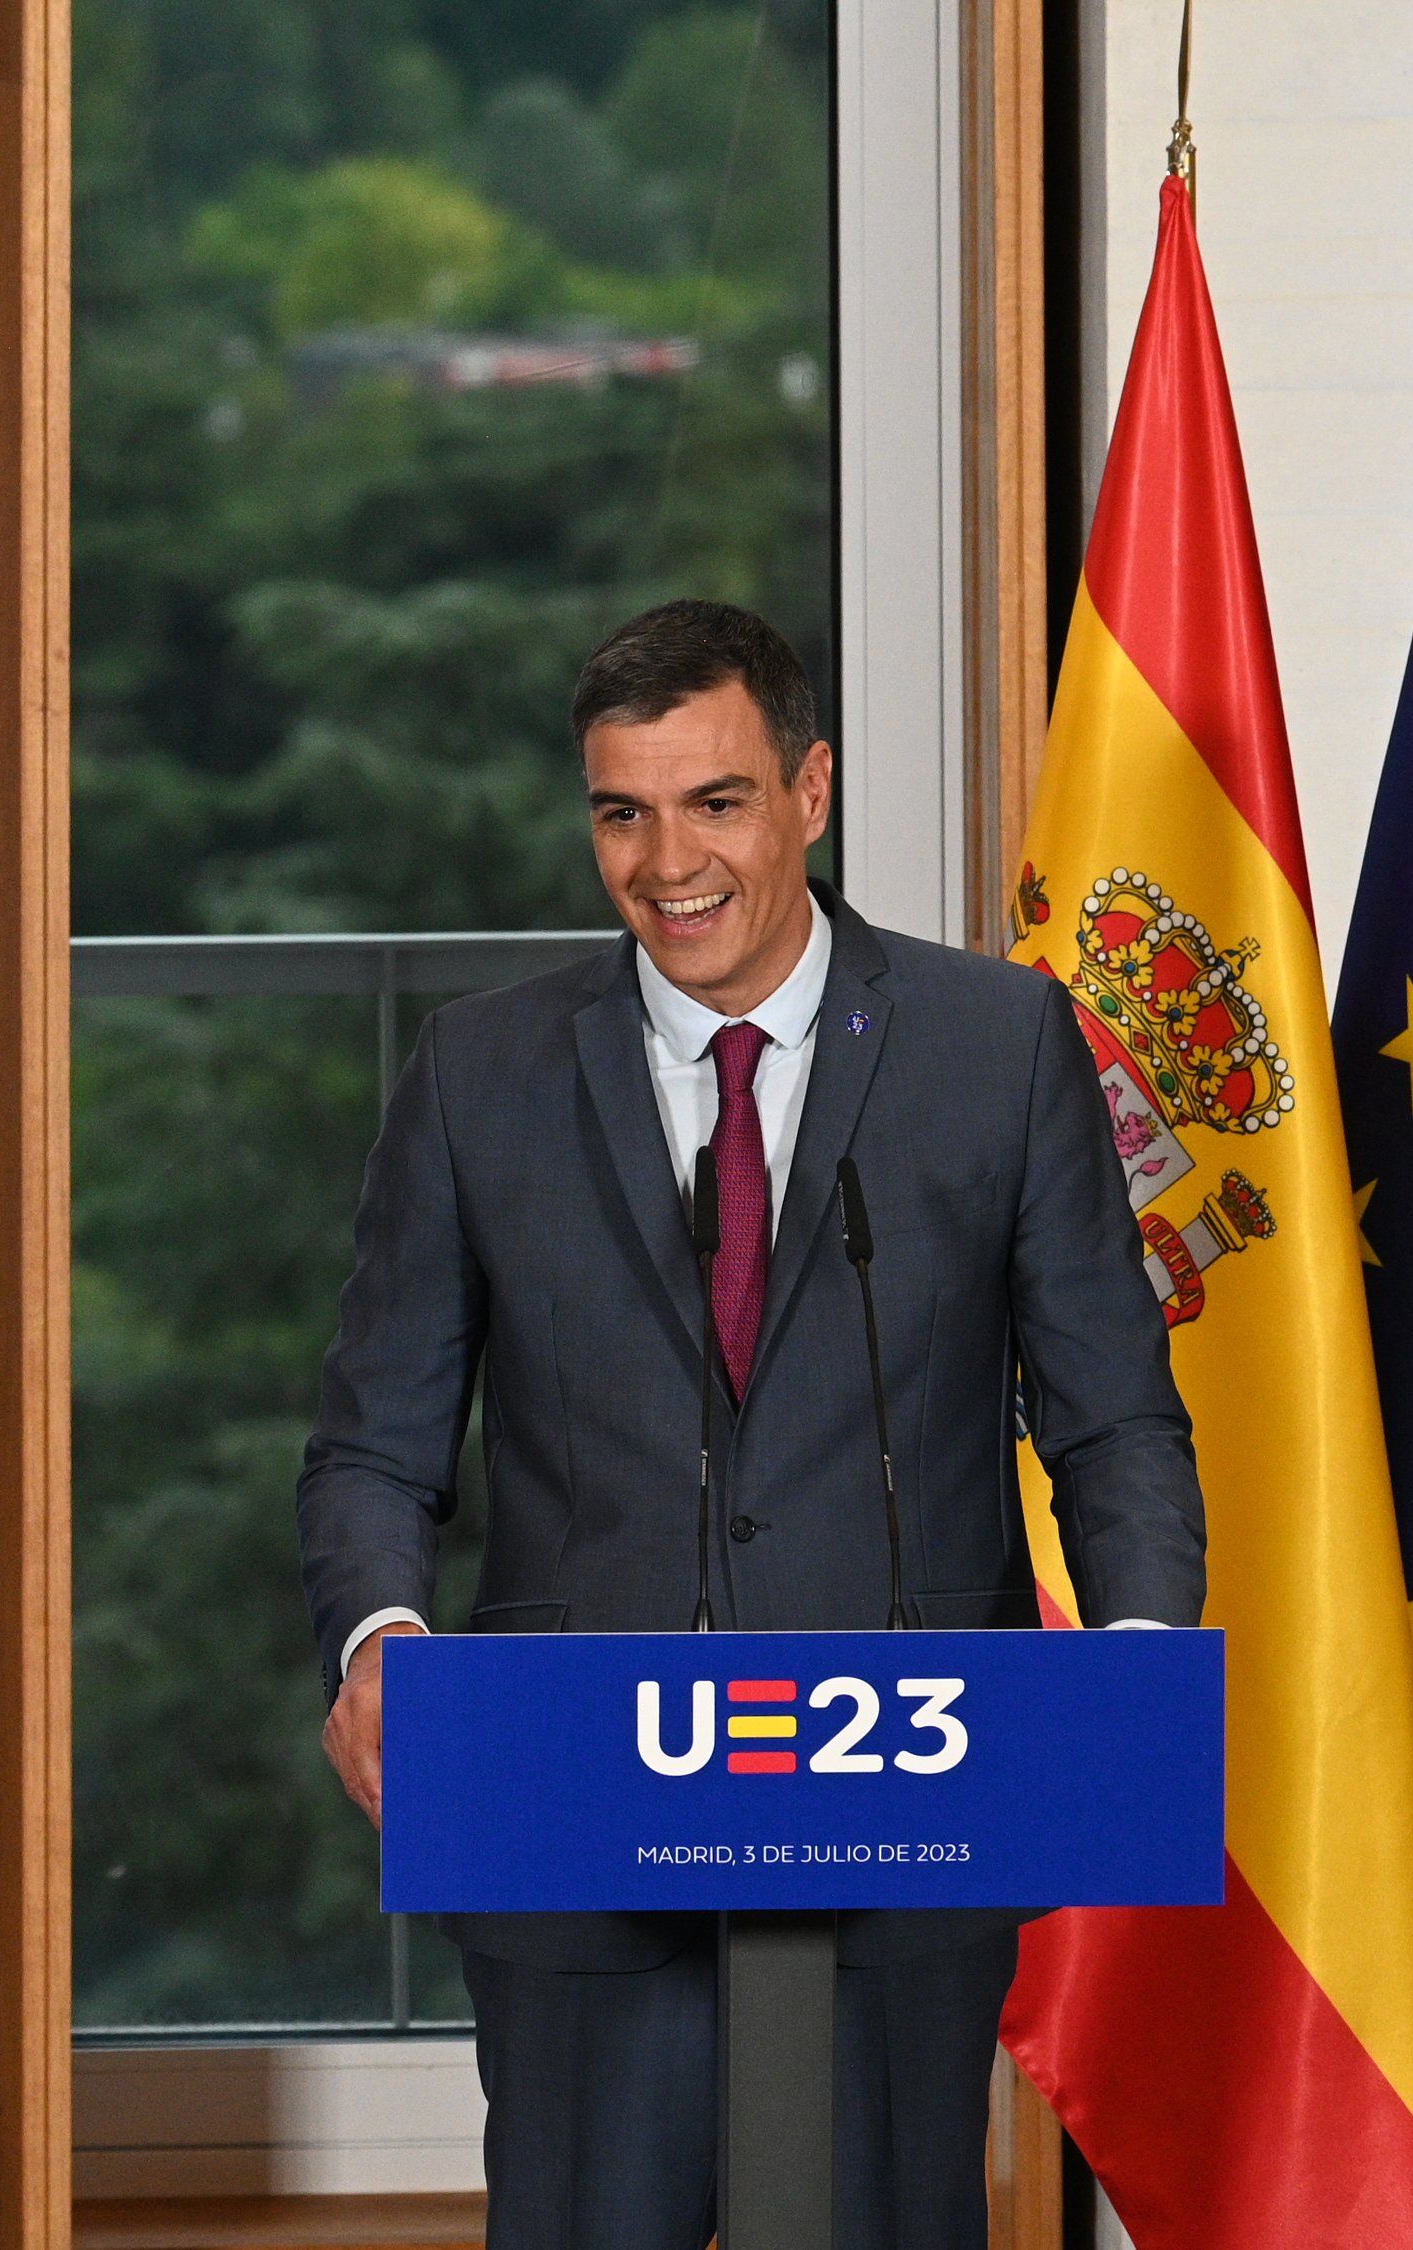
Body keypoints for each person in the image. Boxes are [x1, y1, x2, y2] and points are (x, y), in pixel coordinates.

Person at [296, 600, 1204, 2249]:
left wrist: (1139, 1656)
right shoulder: (478, 1071)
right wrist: (378, 1635)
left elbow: (1115, 1416)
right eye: (620, 811)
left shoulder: (995, 1051)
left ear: (811, 789)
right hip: (575, 1835)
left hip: (906, 1819)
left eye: (714, 801)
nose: (667, 862)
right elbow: (374, 1441)